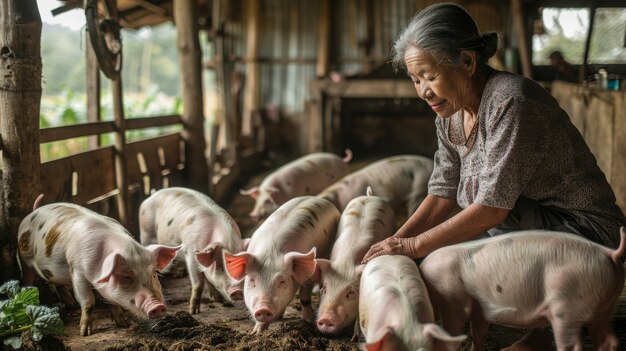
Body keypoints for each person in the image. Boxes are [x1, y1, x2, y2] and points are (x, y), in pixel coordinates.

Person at [362, 3, 626, 350]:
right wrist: (393, 245)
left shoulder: (510, 101)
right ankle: (540, 333)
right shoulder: (449, 114)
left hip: (587, 241)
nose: (423, 90)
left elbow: (492, 209)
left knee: (471, 238)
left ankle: (542, 330)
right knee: (462, 236)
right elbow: (443, 191)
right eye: (415, 79)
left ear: (468, 63)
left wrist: (410, 247)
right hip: (536, 228)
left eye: (429, 75)